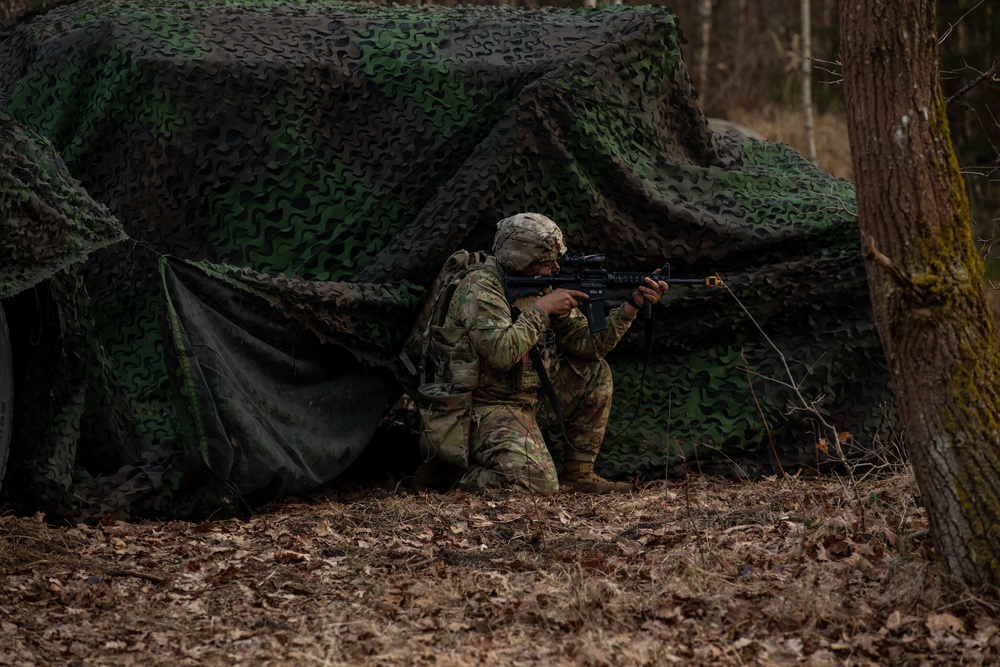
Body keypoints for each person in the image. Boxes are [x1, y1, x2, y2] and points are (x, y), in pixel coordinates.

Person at [424, 212, 668, 494]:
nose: (554, 268)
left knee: (594, 373)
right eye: (544, 262)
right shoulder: (480, 288)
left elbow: (588, 347)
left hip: (528, 399)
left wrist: (631, 307)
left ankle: (579, 474)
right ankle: (454, 475)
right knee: (537, 483)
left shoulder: (537, 284)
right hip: (484, 408)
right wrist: (543, 309)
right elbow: (500, 354)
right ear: (522, 260)